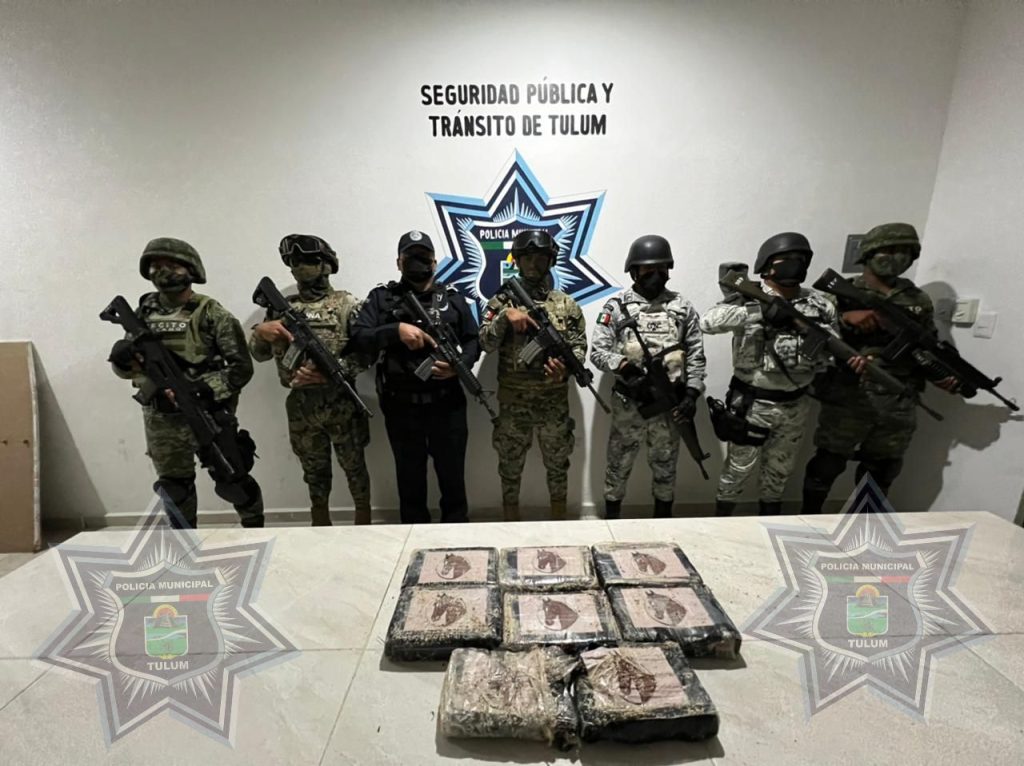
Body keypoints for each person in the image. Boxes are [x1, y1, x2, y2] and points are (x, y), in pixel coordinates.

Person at [802, 222, 960, 512]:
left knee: (884, 467)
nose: (897, 257)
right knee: (827, 463)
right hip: (849, 394)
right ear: (869, 253)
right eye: (889, 250)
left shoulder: (917, 299)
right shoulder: (841, 293)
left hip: (897, 397)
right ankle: (808, 519)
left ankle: (865, 525)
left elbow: (924, 347)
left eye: (905, 252)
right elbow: (808, 329)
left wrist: (940, 375)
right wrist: (845, 318)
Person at [109, 237, 264, 529]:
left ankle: (256, 532)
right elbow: (133, 370)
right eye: (156, 265)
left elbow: (241, 369)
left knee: (233, 479)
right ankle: (184, 541)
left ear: (191, 269)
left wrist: (203, 388)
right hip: (161, 419)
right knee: (174, 487)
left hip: (208, 414)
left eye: (172, 265)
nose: (163, 271)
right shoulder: (144, 314)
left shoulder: (212, 313)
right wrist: (122, 361)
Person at [701, 233, 845, 516]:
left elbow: (833, 347)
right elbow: (709, 322)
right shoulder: (748, 298)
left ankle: (770, 521)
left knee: (779, 472)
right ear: (767, 265)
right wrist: (760, 312)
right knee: (738, 470)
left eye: (800, 259)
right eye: (786, 259)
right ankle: (721, 521)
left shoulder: (820, 304)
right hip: (752, 405)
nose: (795, 264)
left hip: (795, 404)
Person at [347, 230, 480, 523]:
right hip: (402, 405)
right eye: (410, 257)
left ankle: (456, 536)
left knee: (453, 479)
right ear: (398, 262)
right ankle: (413, 537)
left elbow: (473, 339)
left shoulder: (452, 298)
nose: (417, 262)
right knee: (410, 482)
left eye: (423, 257)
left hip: (447, 403)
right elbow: (358, 337)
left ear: (434, 262)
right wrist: (395, 330)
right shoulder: (382, 298)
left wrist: (460, 365)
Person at [249, 234, 373, 526]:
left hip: (342, 404)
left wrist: (336, 369)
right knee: (314, 472)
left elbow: (368, 353)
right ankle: (319, 522)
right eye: (294, 262)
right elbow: (259, 354)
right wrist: (259, 332)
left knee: (355, 468)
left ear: (326, 265)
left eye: (307, 261)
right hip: (302, 408)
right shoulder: (280, 309)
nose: (299, 267)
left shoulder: (348, 304)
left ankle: (363, 522)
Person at [590, 234, 706, 519]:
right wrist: (624, 367)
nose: (656, 274)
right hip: (630, 405)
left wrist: (692, 393)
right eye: (648, 269)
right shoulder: (617, 307)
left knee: (666, 469)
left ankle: (663, 523)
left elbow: (696, 355)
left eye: (662, 268)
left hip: (670, 405)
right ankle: (612, 522)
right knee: (618, 466)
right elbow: (598, 352)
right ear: (634, 271)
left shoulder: (682, 307)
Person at [478, 230, 587, 521]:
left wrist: (567, 368)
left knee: (558, 465)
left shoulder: (566, 305)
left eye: (540, 258)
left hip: (554, 404)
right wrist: (505, 317)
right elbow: (485, 343)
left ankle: (560, 522)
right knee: (510, 467)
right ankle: (510, 523)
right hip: (513, 404)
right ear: (517, 260)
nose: (533, 264)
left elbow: (578, 346)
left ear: (551, 260)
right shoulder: (501, 302)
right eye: (527, 257)